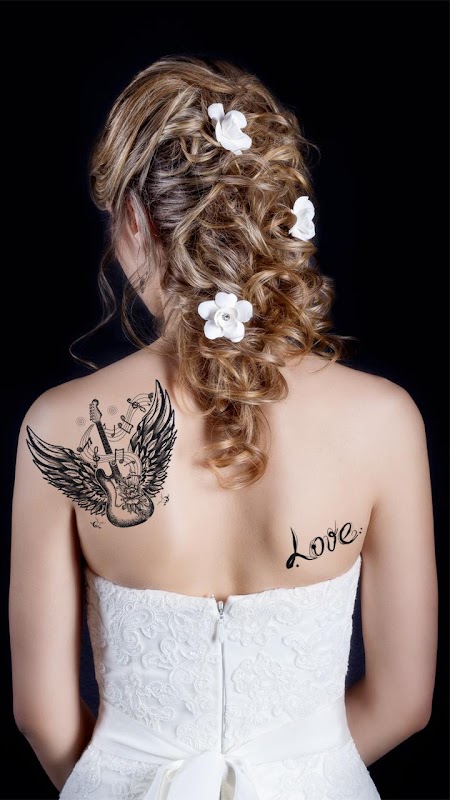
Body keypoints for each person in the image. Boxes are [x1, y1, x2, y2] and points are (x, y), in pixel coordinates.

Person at [9, 55, 437, 800]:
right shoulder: (386, 421)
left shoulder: (63, 425)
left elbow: (42, 716)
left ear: (135, 220)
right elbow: (404, 700)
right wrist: (299, 772)